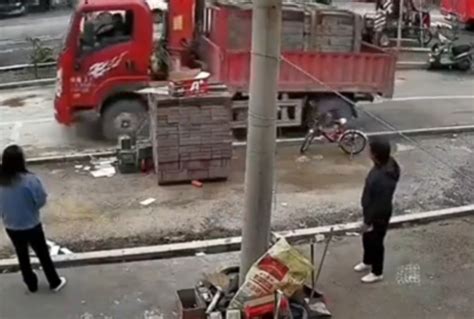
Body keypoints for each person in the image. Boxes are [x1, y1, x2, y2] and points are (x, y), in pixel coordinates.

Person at [0, 145, 66, 293]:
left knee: (22, 255)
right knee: (43, 254)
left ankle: (31, 284)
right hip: (31, 224)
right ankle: (54, 282)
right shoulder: (30, 180)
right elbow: (41, 200)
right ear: (21, 161)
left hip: (11, 225)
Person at [354, 137, 400, 283]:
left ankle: (377, 272)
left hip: (378, 214)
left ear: (375, 154)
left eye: (370, 150)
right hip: (371, 211)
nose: (368, 152)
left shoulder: (383, 178)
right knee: (367, 238)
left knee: (376, 241)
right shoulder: (385, 164)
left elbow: (380, 203)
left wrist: (368, 221)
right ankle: (367, 261)